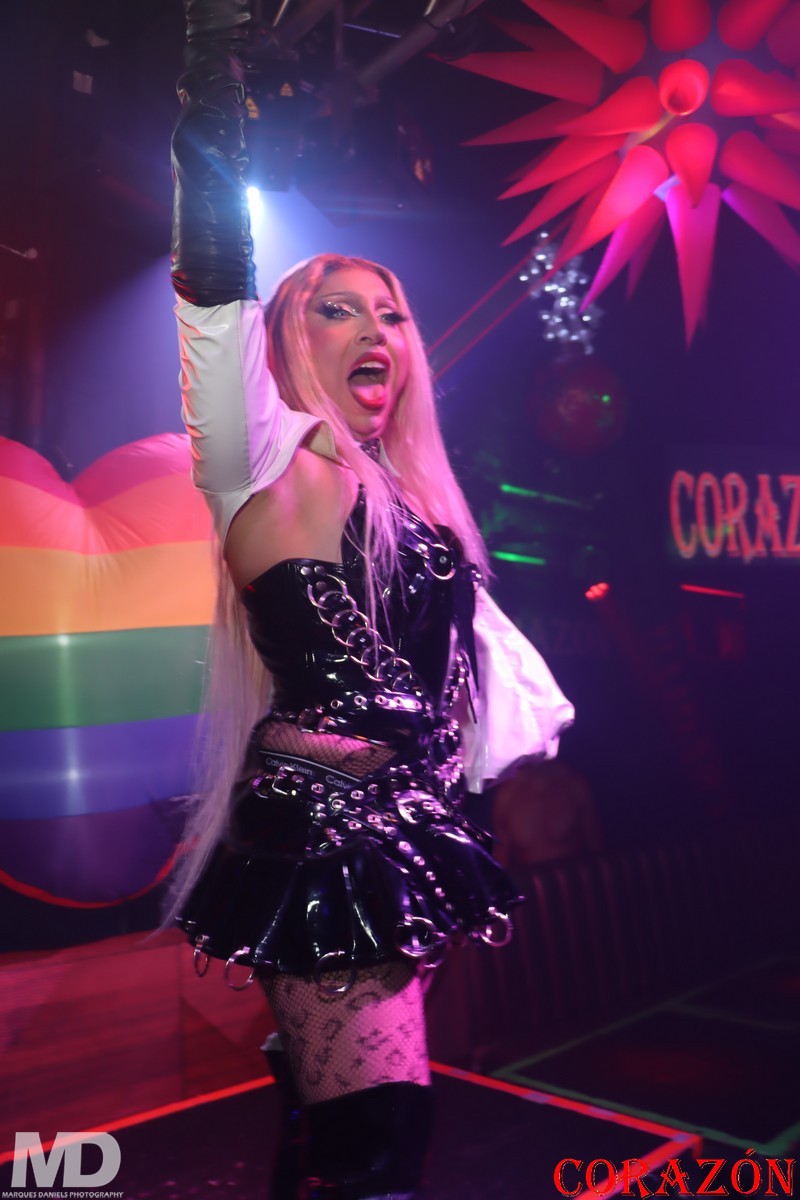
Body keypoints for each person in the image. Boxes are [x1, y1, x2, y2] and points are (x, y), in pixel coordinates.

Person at [168, 2, 574, 1197]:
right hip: (325, 841)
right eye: (335, 307)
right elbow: (213, 283)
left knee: (339, 1137)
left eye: (390, 312)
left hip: (410, 837)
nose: (374, 329)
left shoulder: (412, 504)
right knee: (376, 1156)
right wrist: (210, 74)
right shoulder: (265, 463)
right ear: (286, 342)